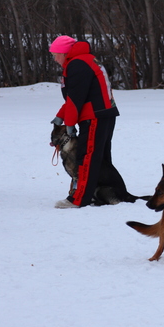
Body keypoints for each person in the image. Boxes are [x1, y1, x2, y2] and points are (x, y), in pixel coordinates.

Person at [48, 36, 120, 208]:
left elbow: (75, 98)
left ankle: (79, 198)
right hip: (104, 113)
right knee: (100, 158)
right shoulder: (85, 60)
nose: (55, 59)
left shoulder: (77, 64)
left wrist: (70, 123)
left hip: (94, 115)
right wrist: (61, 116)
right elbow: (78, 96)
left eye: (55, 55)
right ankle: (104, 194)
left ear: (63, 53)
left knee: (87, 157)